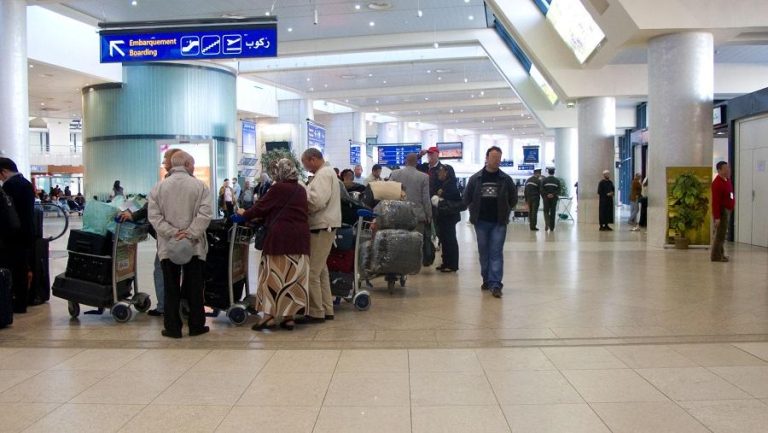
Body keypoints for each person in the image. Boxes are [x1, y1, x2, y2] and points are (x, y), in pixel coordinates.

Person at [236, 159, 310, 331]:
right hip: (300, 238)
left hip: (280, 237)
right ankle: (288, 317)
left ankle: (268, 317)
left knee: (273, 275)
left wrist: (243, 214)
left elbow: (260, 208)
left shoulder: (278, 188)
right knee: (293, 277)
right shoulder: (300, 189)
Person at [148, 151, 213, 338]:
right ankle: (196, 325)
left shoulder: (158, 188)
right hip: (194, 246)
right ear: (186, 164)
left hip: (168, 246)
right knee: (194, 287)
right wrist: (190, 233)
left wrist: (172, 233)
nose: (193, 168)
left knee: (171, 287)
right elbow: (205, 214)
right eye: (192, 164)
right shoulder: (200, 186)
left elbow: (154, 217)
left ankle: (172, 327)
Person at [120, 148, 181, 317]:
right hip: (184, 235)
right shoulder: (191, 182)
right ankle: (178, 304)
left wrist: (132, 215)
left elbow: (151, 207)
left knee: (161, 269)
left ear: (174, 161)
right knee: (177, 271)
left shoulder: (167, 182)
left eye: (166, 160)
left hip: (167, 235)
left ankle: (164, 306)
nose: (163, 163)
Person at [463, 147, 517, 298]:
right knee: (483, 252)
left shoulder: (506, 179)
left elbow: (513, 199)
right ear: (486, 158)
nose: (497, 161)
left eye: (499, 158)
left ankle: (495, 284)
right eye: (494, 157)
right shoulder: (476, 178)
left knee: (496, 252)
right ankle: (486, 278)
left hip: (498, 222)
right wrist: (473, 210)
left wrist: (505, 210)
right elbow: (466, 198)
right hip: (481, 222)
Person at [300, 148, 341, 324]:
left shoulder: (323, 174)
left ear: (314, 159)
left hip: (321, 226)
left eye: (306, 164)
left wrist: (303, 193)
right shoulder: (327, 173)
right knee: (322, 270)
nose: (307, 168)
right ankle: (327, 308)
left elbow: (316, 201)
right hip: (326, 225)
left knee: (312, 273)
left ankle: (316, 312)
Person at [0, 158, 36, 314]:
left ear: (4, 171)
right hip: (27, 232)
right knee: (22, 267)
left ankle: (14, 302)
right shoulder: (26, 183)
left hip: (13, 234)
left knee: (12, 268)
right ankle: (23, 301)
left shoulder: (9, 186)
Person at [390, 152, 432, 228]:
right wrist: (429, 215)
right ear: (417, 162)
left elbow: (390, 194)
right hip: (417, 217)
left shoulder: (394, 174)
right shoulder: (424, 177)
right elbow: (426, 199)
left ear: (406, 161)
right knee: (417, 239)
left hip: (398, 215)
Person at [434, 165, 462, 272]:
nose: (438, 173)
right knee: (444, 240)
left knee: (450, 239)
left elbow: (457, 201)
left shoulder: (451, 186)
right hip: (444, 216)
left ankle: (452, 264)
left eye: (440, 171)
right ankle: (446, 262)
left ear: (446, 173)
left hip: (449, 216)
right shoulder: (445, 184)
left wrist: (441, 199)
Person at [711, 161, 734, 262]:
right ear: (719, 170)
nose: (727, 170)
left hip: (728, 210)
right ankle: (715, 256)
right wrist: (717, 217)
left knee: (723, 234)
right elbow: (715, 202)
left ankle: (721, 254)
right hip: (722, 211)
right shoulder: (717, 184)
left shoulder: (727, 180)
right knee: (720, 235)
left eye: (728, 168)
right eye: (725, 168)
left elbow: (730, 194)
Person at [541, 168, 561, 232]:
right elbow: (559, 190)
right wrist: (553, 194)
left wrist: (547, 194)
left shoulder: (544, 180)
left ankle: (547, 223)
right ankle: (552, 227)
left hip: (546, 199)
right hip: (554, 199)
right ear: (553, 173)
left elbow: (541, 189)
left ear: (548, 173)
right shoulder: (557, 181)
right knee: (553, 212)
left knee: (546, 211)